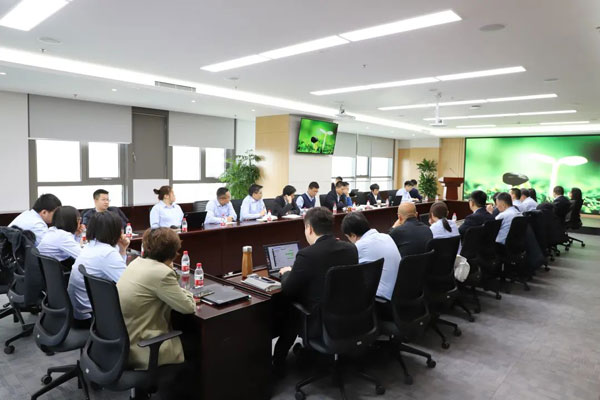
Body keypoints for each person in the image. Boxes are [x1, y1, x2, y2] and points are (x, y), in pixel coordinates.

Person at [273, 207, 358, 370]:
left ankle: (278, 363)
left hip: (320, 321)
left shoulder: (307, 255)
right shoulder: (350, 248)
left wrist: (286, 273)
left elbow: (289, 290)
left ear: (309, 228)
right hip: (350, 315)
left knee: (290, 308)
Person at [117, 228, 195, 370]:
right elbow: (188, 307)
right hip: (142, 346)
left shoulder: (136, 263)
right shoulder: (162, 273)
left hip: (123, 340)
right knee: (196, 344)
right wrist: (186, 291)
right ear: (173, 253)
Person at [68, 211, 130, 327]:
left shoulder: (90, 246)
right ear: (115, 231)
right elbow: (128, 283)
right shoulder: (107, 253)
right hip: (92, 315)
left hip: (80, 310)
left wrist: (122, 249)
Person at [342, 212, 400, 301]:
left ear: (353, 235)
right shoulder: (386, 236)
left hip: (381, 299)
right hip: (399, 293)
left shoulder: (359, 246)